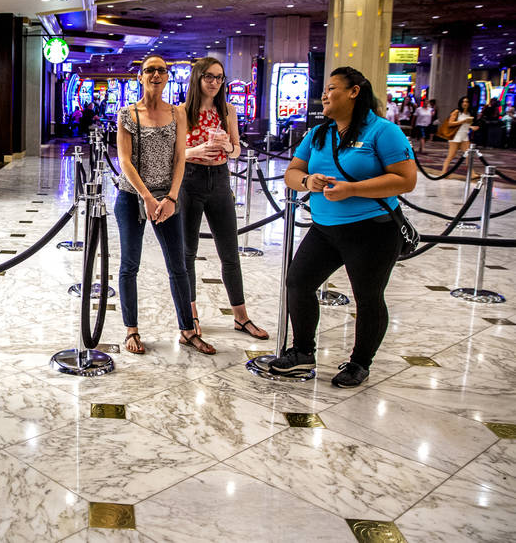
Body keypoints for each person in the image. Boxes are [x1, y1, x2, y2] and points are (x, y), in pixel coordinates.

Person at [269, 66, 416, 387]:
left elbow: (406, 180)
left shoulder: (383, 132)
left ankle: (360, 362)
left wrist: (353, 189)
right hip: (325, 229)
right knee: (297, 282)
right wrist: (308, 180)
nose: (324, 94)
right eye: (324, 89)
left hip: (372, 231)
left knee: (367, 297)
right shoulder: (318, 134)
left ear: (354, 92)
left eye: (332, 87)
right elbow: (292, 172)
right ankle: (302, 352)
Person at [115, 55, 214, 355]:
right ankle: (131, 329)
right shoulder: (127, 113)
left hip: (168, 198)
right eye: (149, 70)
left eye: (161, 70)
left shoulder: (177, 113)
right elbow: (125, 161)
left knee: (179, 266)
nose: (156, 74)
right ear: (140, 77)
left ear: (168, 77)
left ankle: (187, 329)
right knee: (130, 264)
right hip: (133, 196)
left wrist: (171, 197)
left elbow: (179, 159)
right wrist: (146, 196)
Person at [180, 58, 268, 340]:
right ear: (198, 78)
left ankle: (241, 317)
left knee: (230, 252)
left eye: (220, 78)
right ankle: (190, 316)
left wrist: (228, 145)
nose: (215, 82)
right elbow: (175, 153)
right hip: (189, 179)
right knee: (187, 253)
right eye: (209, 77)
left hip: (219, 180)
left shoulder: (227, 110)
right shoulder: (182, 112)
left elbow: (236, 151)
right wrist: (198, 149)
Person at [439, 96, 478, 175]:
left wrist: (471, 127)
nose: (465, 103)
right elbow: (450, 123)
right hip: (455, 136)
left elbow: (466, 125)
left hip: (465, 135)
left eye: (467, 102)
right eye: (463, 102)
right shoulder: (457, 112)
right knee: (451, 155)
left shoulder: (469, 113)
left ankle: (472, 173)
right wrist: (463, 121)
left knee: (468, 155)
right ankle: (443, 172)